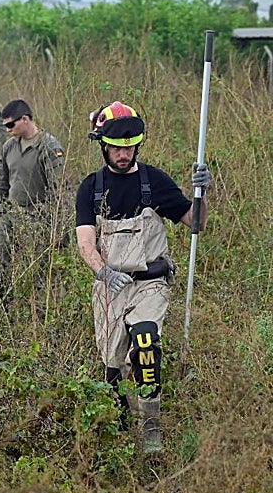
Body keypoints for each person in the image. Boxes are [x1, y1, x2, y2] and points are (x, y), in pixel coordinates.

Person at [74, 101, 212, 454]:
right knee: (112, 369)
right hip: (110, 286)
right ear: (103, 146)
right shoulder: (91, 188)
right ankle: (121, 435)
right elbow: (86, 243)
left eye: (130, 147)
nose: (124, 154)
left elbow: (196, 222)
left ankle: (152, 429)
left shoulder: (155, 182)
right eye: (116, 148)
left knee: (146, 341)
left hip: (151, 282)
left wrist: (202, 192)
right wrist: (103, 271)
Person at [0, 99, 66, 303]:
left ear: (25, 119)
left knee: (37, 271)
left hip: (38, 218)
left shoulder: (48, 146)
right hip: (12, 214)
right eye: (5, 125)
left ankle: (38, 309)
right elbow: (1, 186)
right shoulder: (9, 147)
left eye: (11, 124)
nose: (8, 129)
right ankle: (4, 302)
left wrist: (58, 229)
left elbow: (59, 192)